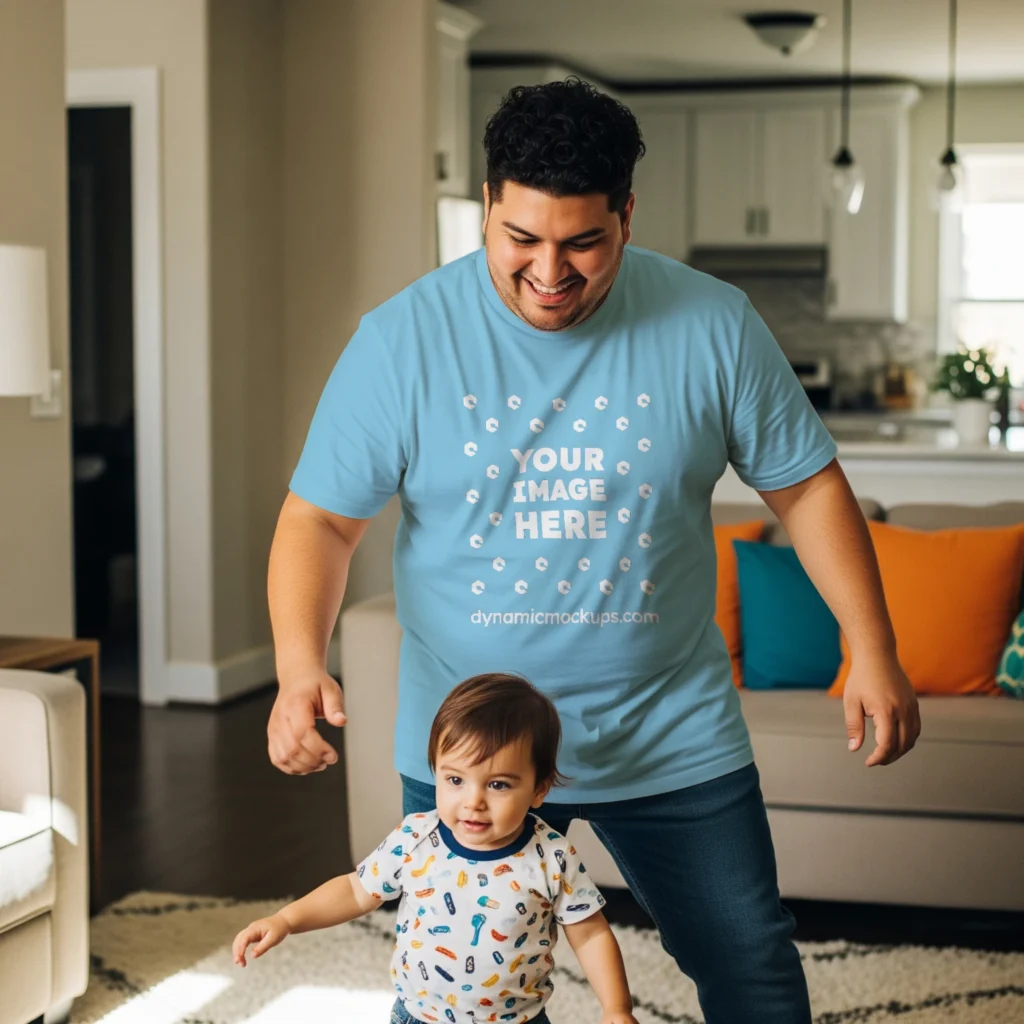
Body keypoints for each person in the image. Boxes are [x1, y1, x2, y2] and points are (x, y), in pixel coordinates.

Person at [266, 78, 921, 1023]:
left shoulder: (712, 323)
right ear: (488, 208)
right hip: (473, 748)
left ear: (626, 214)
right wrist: (296, 668)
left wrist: (873, 644)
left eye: (583, 242)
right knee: (454, 988)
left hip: (671, 728)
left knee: (751, 969)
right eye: (520, 239)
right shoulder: (402, 341)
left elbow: (806, 483)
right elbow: (320, 519)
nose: (548, 272)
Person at [236, 674, 639, 1024]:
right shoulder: (415, 840)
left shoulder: (551, 856)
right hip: (419, 1016)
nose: (473, 801)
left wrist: (616, 1007)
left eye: (498, 784)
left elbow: (589, 934)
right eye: (455, 780)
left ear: (538, 790)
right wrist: (287, 919)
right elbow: (355, 891)